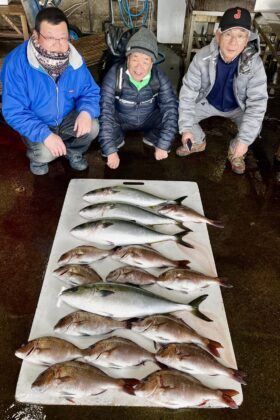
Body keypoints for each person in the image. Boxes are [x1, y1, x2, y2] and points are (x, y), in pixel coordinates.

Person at [1, 7, 100, 175]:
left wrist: (86, 112)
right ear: (35, 35)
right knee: (45, 153)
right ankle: (37, 157)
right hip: (38, 122)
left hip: (65, 118)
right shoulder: (16, 63)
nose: (59, 45)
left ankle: (73, 152)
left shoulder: (74, 59)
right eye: (51, 38)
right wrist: (45, 134)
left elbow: (90, 91)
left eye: (63, 38)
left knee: (93, 126)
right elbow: (13, 110)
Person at [176, 6, 268, 174]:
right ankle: (197, 142)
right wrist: (186, 129)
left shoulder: (255, 64)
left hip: (238, 107)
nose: (233, 42)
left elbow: (258, 103)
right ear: (218, 36)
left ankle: (235, 152)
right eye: (228, 34)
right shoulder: (202, 56)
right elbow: (188, 92)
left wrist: (244, 141)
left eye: (240, 36)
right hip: (208, 102)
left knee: (254, 129)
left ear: (247, 39)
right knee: (180, 117)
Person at [99, 27, 178, 169]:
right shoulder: (114, 75)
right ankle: (117, 141)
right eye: (135, 58)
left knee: (170, 114)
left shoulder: (159, 77)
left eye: (145, 61)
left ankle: (152, 138)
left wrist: (163, 144)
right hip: (121, 119)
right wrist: (110, 150)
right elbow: (105, 110)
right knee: (102, 122)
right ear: (127, 58)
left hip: (149, 119)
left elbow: (170, 108)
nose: (139, 67)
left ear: (152, 63)